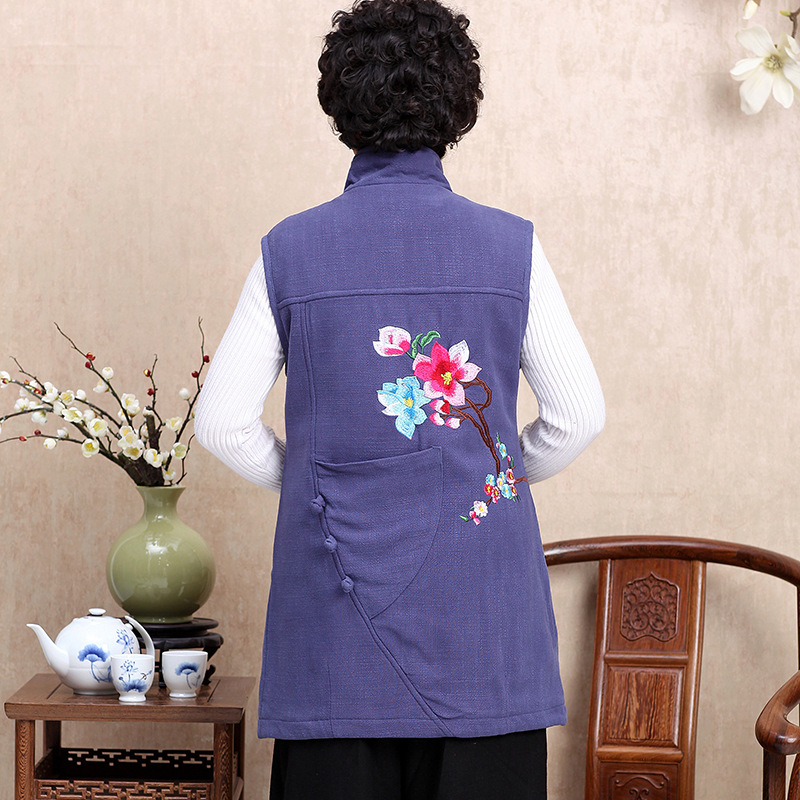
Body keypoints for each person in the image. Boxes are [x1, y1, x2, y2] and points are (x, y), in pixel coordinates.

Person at [194, 0, 605, 797]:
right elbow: (578, 416)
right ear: (457, 107)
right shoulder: (512, 247)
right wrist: (495, 472)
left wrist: (310, 478)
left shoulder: (289, 250)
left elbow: (221, 424)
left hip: (335, 643)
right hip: (485, 638)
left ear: (340, 106)